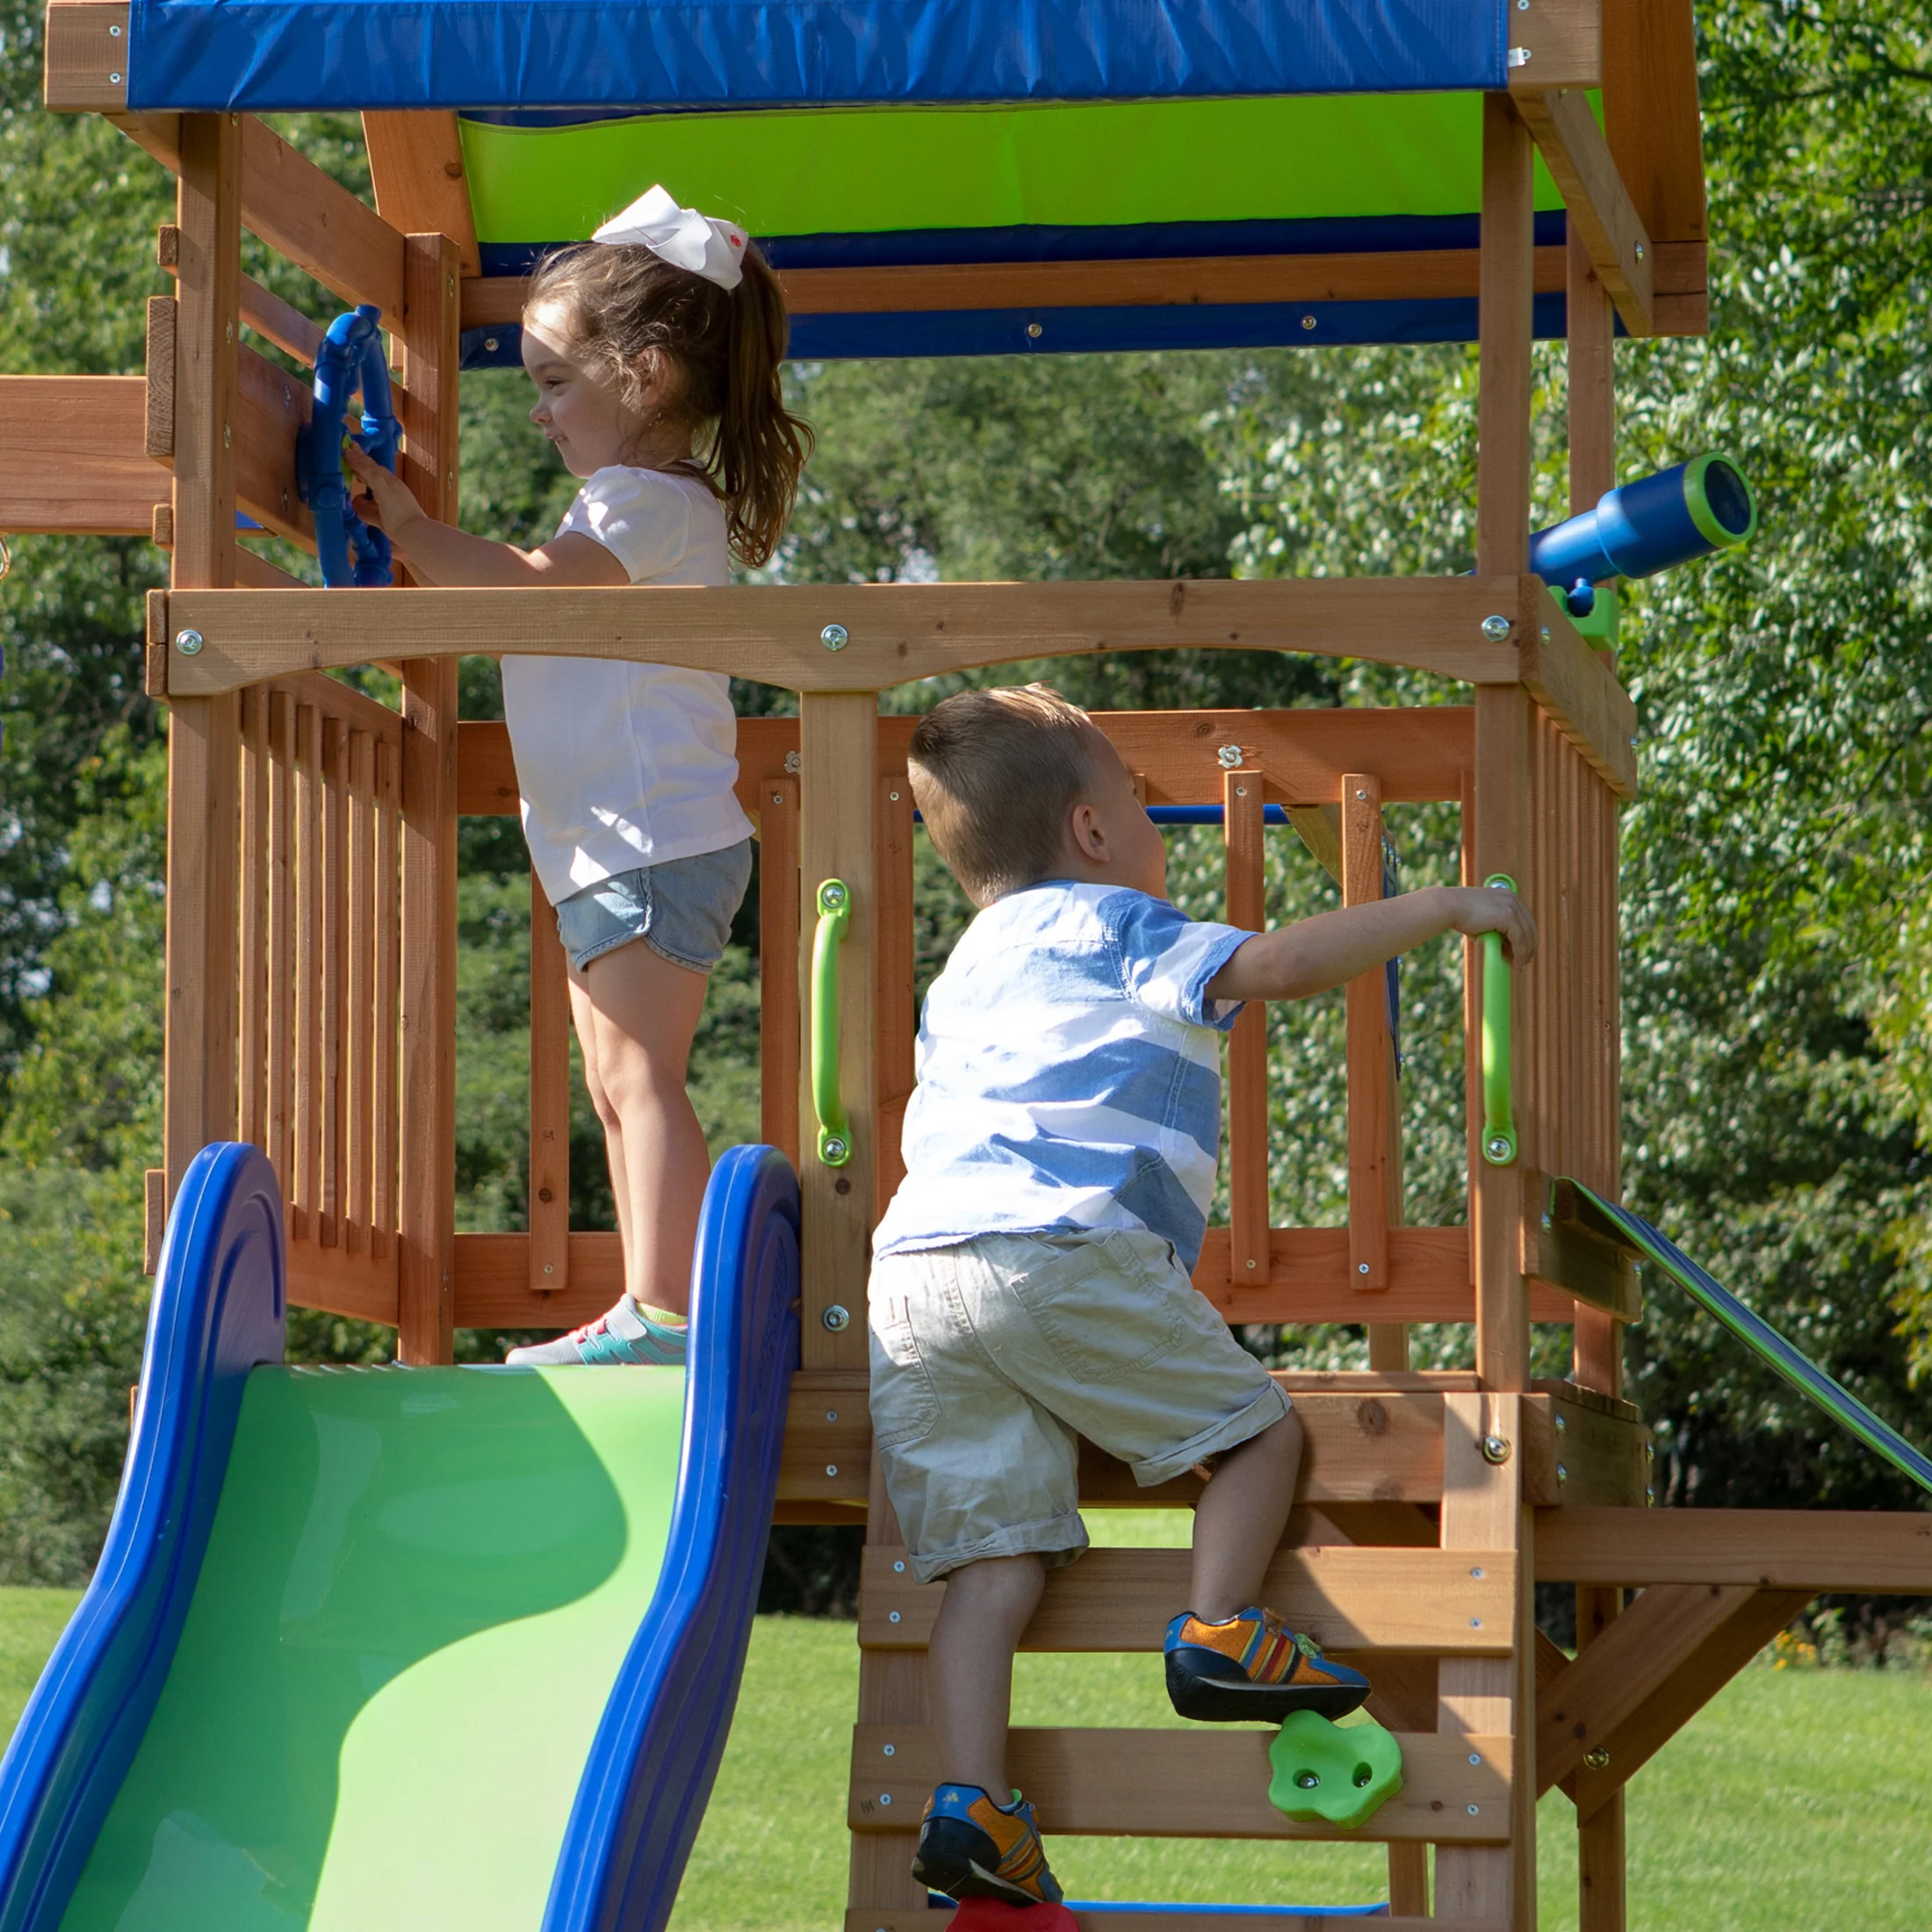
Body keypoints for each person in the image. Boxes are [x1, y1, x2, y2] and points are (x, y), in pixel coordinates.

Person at [869, 684, 1537, 1908]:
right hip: (1056, 1252)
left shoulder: (963, 970)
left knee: (990, 1564)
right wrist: (1447, 906)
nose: (1153, 825)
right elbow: (1274, 963)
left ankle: (975, 1807)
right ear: (1088, 830)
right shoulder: (1118, 922)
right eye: (1137, 799)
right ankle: (1221, 1625)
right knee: (1257, 1434)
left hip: (913, 1281)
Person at [346, 185, 810, 1367]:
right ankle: (651, 1301)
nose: (541, 413)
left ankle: (672, 1311)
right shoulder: (642, 504)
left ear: (644, 376)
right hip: (619, 845)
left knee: (639, 1076)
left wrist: (403, 524)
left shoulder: (642, 505)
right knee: (618, 1081)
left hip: (649, 841)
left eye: (556, 382)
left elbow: (522, 584)